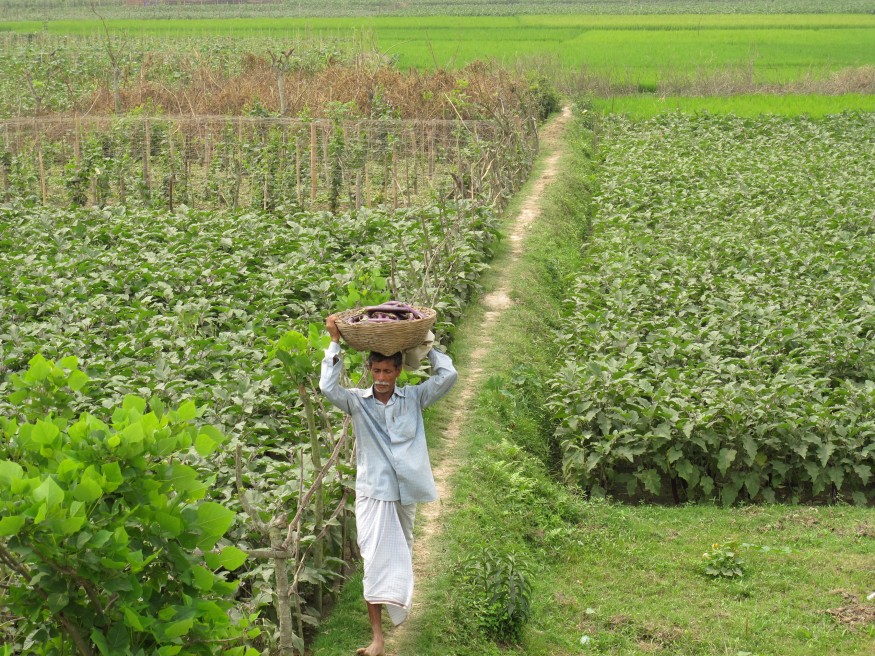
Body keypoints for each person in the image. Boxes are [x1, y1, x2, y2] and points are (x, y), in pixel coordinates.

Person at [320, 314, 458, 656]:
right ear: (369, 369)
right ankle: (377, 638)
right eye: (376, 371)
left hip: (404, 493)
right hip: (373, 492)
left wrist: (426, 346)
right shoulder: (357, 402)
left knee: (399, 555)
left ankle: (396, 608)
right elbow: (327, 388)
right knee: (373, 561)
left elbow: (448, 376)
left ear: (398, 371)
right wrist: (334, 342)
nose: (381, 378)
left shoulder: (414, 398)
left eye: (387, 371)